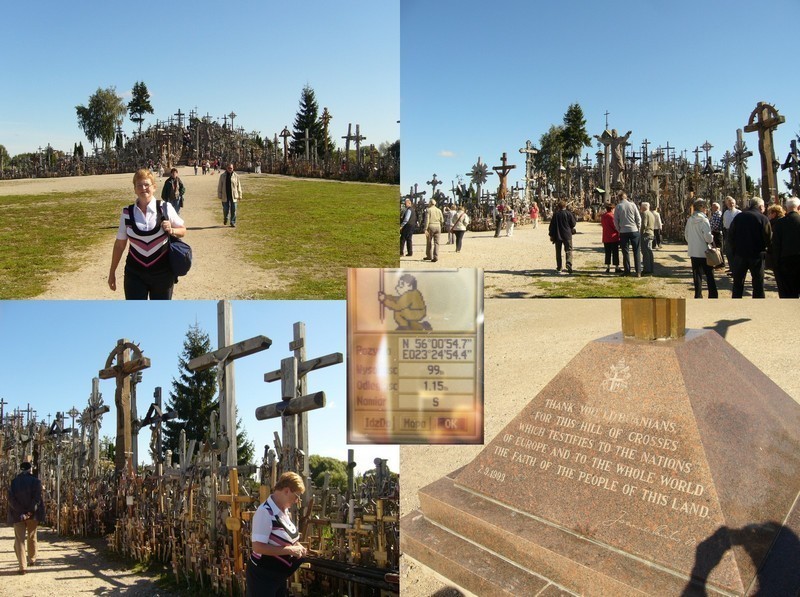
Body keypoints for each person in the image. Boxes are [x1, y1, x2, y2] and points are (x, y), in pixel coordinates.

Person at [108, 169, 187, 300]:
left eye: (146, 185)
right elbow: (120, 245)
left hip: (163, 273)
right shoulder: (127, 212)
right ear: (134, 189)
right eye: (139, 185)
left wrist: (172, 230)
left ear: (154, 187)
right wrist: (112, 272)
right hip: (134, 273)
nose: (143, 188)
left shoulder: (165, 207)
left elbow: (183, 230)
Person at [247, 472, 308, 597]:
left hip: (278, 574)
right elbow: (258, 547)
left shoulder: (284, 511)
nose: (297, 501)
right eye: (297, 496)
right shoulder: (265, 512)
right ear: (286, 491)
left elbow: (285, 538)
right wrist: (291, 550)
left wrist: (298, 545)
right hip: (263, 576)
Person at [728, 197, 772, 298]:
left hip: (740, 254)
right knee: (758, 283)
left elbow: (731, 236)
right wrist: (768, 250)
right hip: (757, 255)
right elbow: (768, 237)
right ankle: (758, 305)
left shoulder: (739, 217)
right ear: (761, 207)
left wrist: (734, 249)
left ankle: (736, 302)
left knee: (738, 282)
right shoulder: (763, 219)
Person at [7, 459, 45, 575]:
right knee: (32, 536)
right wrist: (29, 512)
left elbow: (11, 499)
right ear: (30, 469)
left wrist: (21, 512)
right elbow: (37, 499)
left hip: (18, 515)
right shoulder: (36, 482)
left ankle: (22, 566)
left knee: (19, 540)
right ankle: (32, 559)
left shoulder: (14, 482)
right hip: (32, 515)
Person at [684, 198, 718, 299]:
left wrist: (692, 243)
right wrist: (711, 239)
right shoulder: (704, 219)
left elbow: (686, 235)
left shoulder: (690, 219)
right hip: (704, 251)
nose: (706, 209)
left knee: (697, 275)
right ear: (702, 208)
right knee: (709, 274)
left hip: (693, 251)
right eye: (705, 207)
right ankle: (713, 295)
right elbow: (707, 237)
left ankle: (698, 295)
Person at [771, 196, 800, 297]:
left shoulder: (779, 223)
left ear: (786, 208)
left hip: (785, 263)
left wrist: (775, 264)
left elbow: (776, 245)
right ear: (799, 207)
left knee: (788, 295)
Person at [613, 192, 642, 276]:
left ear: (619, 198)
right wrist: (638, 228)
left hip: (623, 231)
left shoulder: (618, 207)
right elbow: (638, 218)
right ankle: (638, 271)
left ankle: (627, 271)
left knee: (625, 252)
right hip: (634, 230)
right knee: (636, 251)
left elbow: (615, 220)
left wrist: (619, 230)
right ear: (626, 197)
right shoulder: (633, 205)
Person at [548, 200, 577, 274]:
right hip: (567, 235)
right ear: (565, 206)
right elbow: (573, 224)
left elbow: (552, 226)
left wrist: (551, 235)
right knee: (568, 250)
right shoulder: (569, 213)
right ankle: (568, 263)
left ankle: (559, 267)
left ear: (558, 207)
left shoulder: (556, 215)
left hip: (558, 235)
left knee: (558, 252)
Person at [218, 163, 243, 227]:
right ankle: (226, 218)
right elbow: (220, 186)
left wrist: (240, 195)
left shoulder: (236, 176)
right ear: (226, 168)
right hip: (225, 195)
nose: (230, 169)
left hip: (233, 195)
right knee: (225, 209)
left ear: (233, 168)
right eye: (229, 168)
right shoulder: (222, 176)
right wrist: (219, 194)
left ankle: (232, 222)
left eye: (231, 168)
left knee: (233, 209)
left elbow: (238, 186)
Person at [600, 203, 621, 273]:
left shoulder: (603, 216)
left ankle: (608, 267)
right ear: (612, 209)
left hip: (606, 237)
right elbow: (615, 226)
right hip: (613, 236)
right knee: (615, 252)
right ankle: (616, 267)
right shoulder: (612, 216)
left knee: (607, 252)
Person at [722, 196, 741, 272]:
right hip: (727, 232)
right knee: (728, 251)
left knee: (735, 252)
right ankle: (731, 268)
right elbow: (724, 223)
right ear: (727, 204)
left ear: (735, 204)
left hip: (736, 233)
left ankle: (736, 269)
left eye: (732, 203)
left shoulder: (738, 212)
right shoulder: (726, 212)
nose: (731, 204)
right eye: (729, 203)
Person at [640, 201, 655, 275]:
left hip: (646, 233)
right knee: (649, 251)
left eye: (641, 206)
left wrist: (640, 232)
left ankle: (647, 269)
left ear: (644, 207)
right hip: (651, 233)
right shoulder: (651, 214)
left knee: (645, 252)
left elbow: (644, 224)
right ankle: (651, 267)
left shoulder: (645, 213)